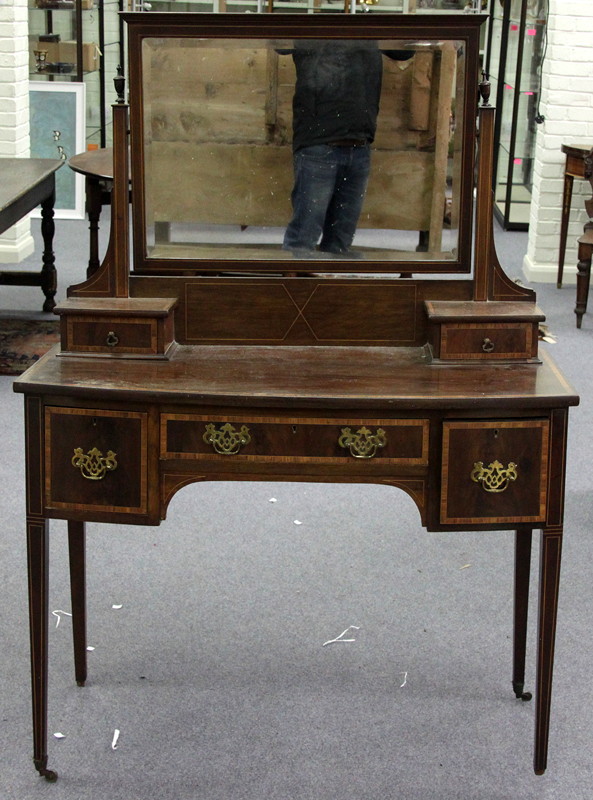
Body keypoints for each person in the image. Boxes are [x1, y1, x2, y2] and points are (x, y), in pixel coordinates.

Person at [280, 40, 413, 257]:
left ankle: (330, 282)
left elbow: (405, 51)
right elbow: (279, 42)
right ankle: (295, 286)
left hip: (357, 143)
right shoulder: (317, 26)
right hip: (321, 143)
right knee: (303, 238)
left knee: (339, 240)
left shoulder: (368, 30)